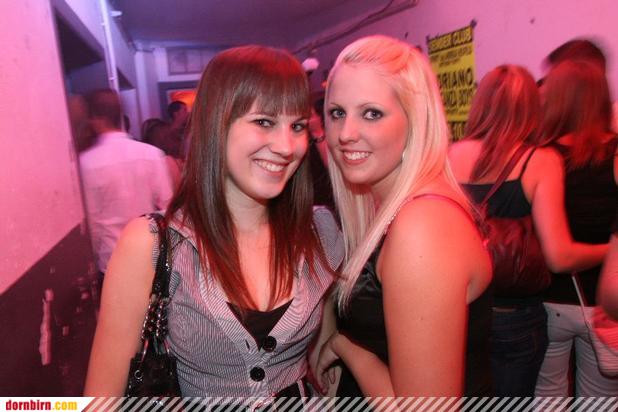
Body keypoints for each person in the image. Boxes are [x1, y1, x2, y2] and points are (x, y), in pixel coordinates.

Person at [84, 45, 343, 399]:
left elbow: (328, 341)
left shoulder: (319, 231)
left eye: (297, 125)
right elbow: (101, 399)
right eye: (264, 122)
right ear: (215, 124)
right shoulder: (151, 243)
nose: (287, 146)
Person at [315, 35, 493, 396]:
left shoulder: (422, 224)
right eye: (337, 113)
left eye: (372, 113)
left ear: (415, 120)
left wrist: (346, 348)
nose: (346, 134)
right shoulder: (390, 206)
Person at [449, 65, 608, 396]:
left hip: (459, 309)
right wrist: (612, 251)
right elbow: (560, 257)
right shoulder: (539, 160)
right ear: (532, 109)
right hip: (514, 314)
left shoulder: (448, 155)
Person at [535, 60, 617, 396]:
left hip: (551, 300)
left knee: (547, 397)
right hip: (605, 304)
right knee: (600, 400)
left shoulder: (541, 156)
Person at [79, 89, 173, 276]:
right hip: (150, 255)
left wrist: (92, 260)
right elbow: (168, 206)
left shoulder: (87, 162)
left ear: (95, 118)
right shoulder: (152, 154)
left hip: (112, 260)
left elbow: (93, 223)